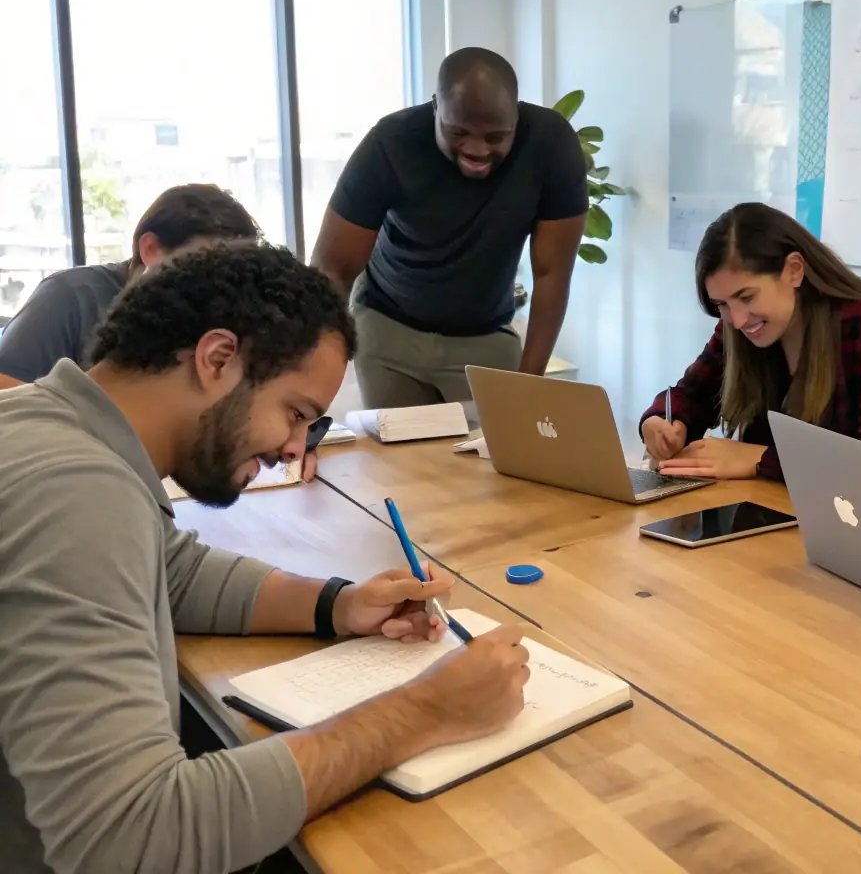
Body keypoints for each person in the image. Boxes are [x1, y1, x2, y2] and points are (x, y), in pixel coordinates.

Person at [0, 243, 531, 873]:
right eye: (295, 412)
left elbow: (172, 571)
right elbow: (132, 836)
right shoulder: (78, 496)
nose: (293, 447)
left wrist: (338, 604)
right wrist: (422, 711)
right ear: (217, 358)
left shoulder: (38, 423)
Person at [311, 47, 588, 408]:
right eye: (457, 132)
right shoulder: (391, 143)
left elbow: (552, 273)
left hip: (486, 336)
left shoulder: (551, 145)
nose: (476, 151)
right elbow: (333, 267)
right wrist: (314, 374)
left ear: (516, 118)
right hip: (388, 328)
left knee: (497, 459)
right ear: (435, 107)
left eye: (495, 137)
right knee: (402, 462)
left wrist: (529, 383)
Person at [640, 202, 861, 517]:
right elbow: (692, 393)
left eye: (746, 297)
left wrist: (760, 459)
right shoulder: (739, 328)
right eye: (721, 304)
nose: (737, 320)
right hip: (782, 517)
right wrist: (662, 422)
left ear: (794, 271)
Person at [0, 183, 260, 390]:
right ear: (151, 249)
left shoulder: (222, 314)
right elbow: (4, 385)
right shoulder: (71, 296)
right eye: (202, 266)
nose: (217, 285)